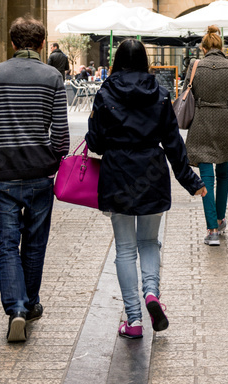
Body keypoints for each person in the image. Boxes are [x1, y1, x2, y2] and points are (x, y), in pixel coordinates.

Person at [86, 39, 206, 341]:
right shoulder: (161, 94)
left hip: (117, 174)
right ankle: (152, 293)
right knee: (149, 243)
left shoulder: (105, 92)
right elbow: (173, 142)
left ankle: (134, 320)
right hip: (152, 172)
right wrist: (191, 181)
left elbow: (96, 143)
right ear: (144, 62)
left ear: (116, 61)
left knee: (125, 249)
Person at [0, 17, 69, 344]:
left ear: (13, 44)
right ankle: (30, 304)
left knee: (7, 242)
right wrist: (56, 162)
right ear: (42, 44)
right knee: (34, 241)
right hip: (39, 172)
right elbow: (60, 131)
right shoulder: (52, 77)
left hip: (4, 172)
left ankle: (16, 307)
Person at [183, 25, 228, 247]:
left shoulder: (195, 65)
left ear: (204, 47)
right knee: (224, 174)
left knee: (206, 177)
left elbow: (186, 92)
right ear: (221, 45)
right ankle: (220, 218)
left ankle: (212, 230)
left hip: (201, 122)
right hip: (225, 122)